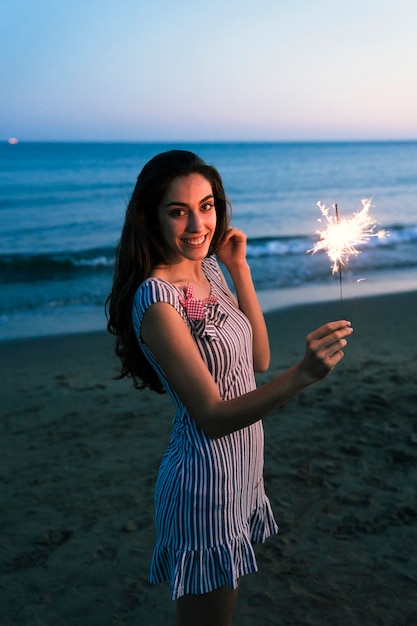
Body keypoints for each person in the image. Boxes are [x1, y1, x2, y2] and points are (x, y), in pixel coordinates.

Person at [106, 150, 353, 626]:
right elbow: (212, 416)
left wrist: (239, 268)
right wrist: (303, 374)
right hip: (203, 487)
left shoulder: (210, 269)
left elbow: (257, 359)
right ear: (151, 218)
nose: (198, 224)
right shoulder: (157, 301)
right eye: (178, 211)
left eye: (207, 205)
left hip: (240, 476)